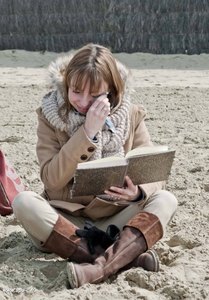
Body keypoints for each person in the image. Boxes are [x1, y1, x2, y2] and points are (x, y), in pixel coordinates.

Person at [12, 43, 178, 288]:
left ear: (110, 90)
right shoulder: (49, 116)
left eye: (94, 94)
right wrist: (87, 133)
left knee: (166, 199)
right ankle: (125, 260)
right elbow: (51, 179)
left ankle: (98, 267)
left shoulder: (130, 115)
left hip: (117, 219)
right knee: (23, 202)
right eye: (76, 91)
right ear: (66, 84)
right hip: (68, 223)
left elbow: (153, 172)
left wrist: (138, 192)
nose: (83, 101)